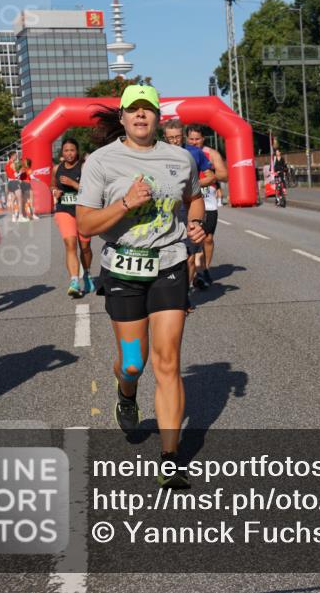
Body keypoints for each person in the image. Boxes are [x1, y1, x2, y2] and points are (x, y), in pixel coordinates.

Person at [76, 85, 206, 488]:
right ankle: (126, 390)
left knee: (168, 362)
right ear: (122, 118)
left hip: (168, 266)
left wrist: (196, 225)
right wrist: (126, 204)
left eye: (148, 109)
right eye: (133, 110)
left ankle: (170, 458)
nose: (141, 116)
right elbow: (84, 225)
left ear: (158, 117)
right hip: (123, 271)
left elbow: (194, 197)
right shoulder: (101, 162)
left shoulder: (180, 158)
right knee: (134, 361)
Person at [160, 120, 214, 305]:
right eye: (171, 138)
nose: (175, 141)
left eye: (178, 137)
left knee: (190, 255)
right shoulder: (157, 153)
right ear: (165, 138)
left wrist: (191, 188)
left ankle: (185, 295)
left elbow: (211, 176)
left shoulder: (194, 152)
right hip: (166, 211)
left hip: (189, 209)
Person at [51, 138, 94, 297]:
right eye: (66, 150)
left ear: (77, 151)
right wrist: (55, 191)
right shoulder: (57, 169)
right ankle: (74, 281)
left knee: (85, 248)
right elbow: (52, 185)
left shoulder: (84, 167)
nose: (69, 153)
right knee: (70, 244)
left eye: (72, 150)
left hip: (83, 211)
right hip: (64, 209)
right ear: (62, 152)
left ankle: (87, 275)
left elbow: (90, 189)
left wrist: (72, 183)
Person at [186, 125, 226, 287]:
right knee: (192, 242)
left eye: (197, 139)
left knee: (208, 238)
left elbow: (225, 175)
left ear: (203, 139)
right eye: (191, 139)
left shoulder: (211, 153)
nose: (194, 142)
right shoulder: (182, 152)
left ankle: (205, 268)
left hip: (208, 202)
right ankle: (196, 273)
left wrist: (208, 173)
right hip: (189, 202)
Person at [4, 151, 24, 222]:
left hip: (10, 182)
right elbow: (15, 175)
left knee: (13, 200)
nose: (16, 157)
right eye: (15, 155)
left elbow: (9, 175)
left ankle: (13, 216)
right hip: (14, 182)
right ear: (12, 156)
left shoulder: (7, 164)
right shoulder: (12, 164)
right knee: (19, 199)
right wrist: (21, 172)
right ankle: (20, 216)